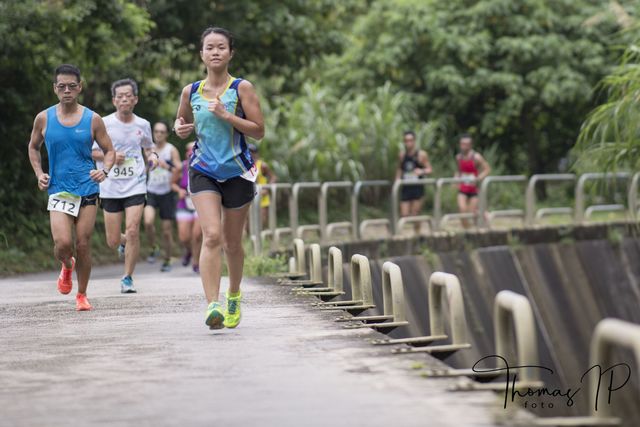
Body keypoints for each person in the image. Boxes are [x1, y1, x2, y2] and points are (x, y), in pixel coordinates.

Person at [174, 27, 264, 329]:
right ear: (201, 54)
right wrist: (179, 128)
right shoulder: (191, 91)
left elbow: (259, 131)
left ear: (230, 53)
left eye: (221, 47)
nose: (215, 52)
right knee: (211, 235)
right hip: (203, 170)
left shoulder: (242, 88)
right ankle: (213, 305)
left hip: (237, 171)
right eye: (209, 47)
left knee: (232, 242)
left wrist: (228, 116)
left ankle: (234, 295)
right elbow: (182, 120)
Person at [27, 64, 116, 311]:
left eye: (72, 86)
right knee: (64, 244)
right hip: (58, 189)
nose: (67, 90)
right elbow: (33, 147)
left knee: (84, 243)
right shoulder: (44, 118)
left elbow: (109, 151)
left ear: (80, 87)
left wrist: (104, 171)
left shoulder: (92, 119)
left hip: (87, 187)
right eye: (62, 86)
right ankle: (67, 265)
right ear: (55, 88)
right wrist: (39, 173)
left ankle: (82, 294)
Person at [92, 78, 158, 293]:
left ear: (135, 99)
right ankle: (122, 243)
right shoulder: (103, 123)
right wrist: (109, 155)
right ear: (114, 100)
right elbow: (90, 151)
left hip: (136, 184)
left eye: (128, 96)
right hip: (110, 185)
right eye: (120, 96)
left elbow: (149, 147)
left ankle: (127, 277)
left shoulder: (143, 124)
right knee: (112, 240)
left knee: (132, 230)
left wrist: (153, 157)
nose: (124, 100)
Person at [143, 121, 181, 271]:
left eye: (162, 132)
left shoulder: (171, 150)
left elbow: (179, 169)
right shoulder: (149, 148)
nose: (158, 134)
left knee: (166, 231)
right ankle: (154, 247)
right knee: (148, 222)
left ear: (166, 134)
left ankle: (167, 259)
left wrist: (166, 166)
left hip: (167, 193)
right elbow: (145, 168)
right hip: (151, 190)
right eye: (156, 131)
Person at [172, 142, 202, 273]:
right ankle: (189, 251)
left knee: (196, 235)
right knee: (184, 237)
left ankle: (196, 262)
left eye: (193, 152)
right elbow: (172, 183)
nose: (191, 155)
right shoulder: (181, 167)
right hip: (184, 203)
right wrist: (179, 190)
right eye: (189, 153)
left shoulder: (205, 166)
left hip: (200, 204)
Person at [455, 134, 491, 228]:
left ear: (470, 145)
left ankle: (483, 220)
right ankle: (467, 231)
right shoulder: (459, 157)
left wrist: (478, 178)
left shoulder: (476, 157)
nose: (464, 146)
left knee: (472, 212)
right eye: (462, 144)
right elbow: (459, 170)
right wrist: (455, 179)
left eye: (466, 144)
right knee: (462, 210)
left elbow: (487, 169)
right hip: (463, 188)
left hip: (474, 189)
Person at [395, 130, 432, 217]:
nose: (408, 143)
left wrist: (422, 171)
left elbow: (429, 169)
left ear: (414, 141)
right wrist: (397, 179)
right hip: (406, 188)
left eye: (410, 140)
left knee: (415, 215)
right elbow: (399, 169)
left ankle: (418, 230)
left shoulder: (421, 154)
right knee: (404, 214)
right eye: (406, 141)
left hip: (417, 188)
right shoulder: (402, 155)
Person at [249, 143, 276, 229]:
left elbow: (273, 177)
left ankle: (264, 238)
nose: (250, 154)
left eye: (253, 151)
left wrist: (267, 189)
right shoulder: (243, 165)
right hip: (248, 196)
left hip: (262, 196)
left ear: (257, 153)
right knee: (247, 221)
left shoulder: (262, 165)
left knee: (262, 220)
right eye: (248, 151)